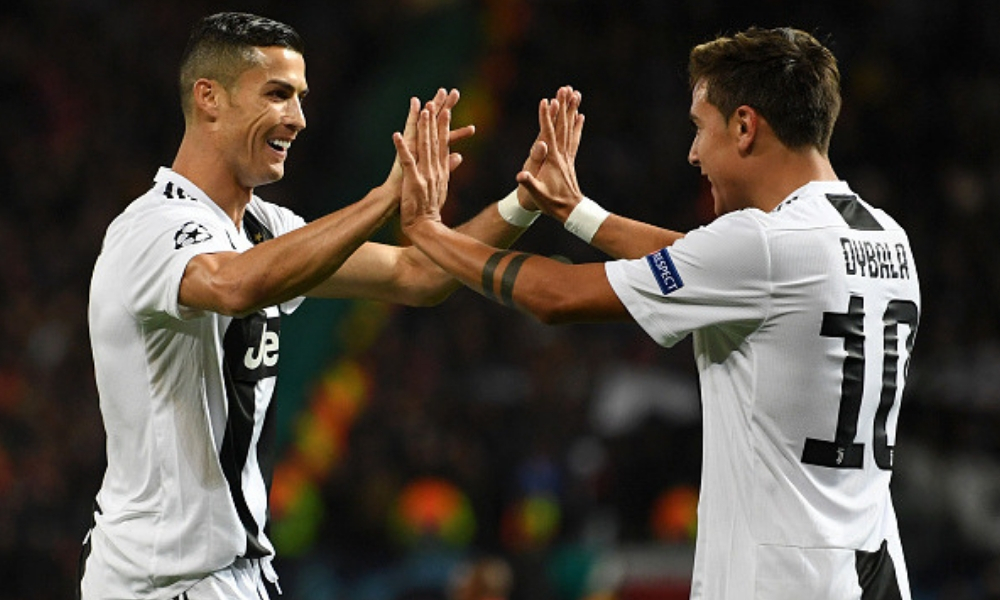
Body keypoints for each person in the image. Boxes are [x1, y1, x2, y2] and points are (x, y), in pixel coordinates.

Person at [396, 27, 920, 599]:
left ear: (744, 127)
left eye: (699, 127)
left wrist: (429, 232)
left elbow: (557, 296)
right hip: (872, 569)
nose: (693, 153)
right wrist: (575, 211)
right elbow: (709, 261)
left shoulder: (763, 245)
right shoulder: (885, 236)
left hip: (781, 581)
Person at [80, 11, 551, 600]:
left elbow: (420, 274)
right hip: (159, 581)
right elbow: (232, 286)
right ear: (209, 98)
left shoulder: (265, 227)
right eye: (277, 94)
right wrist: (383, 199)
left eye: (300, 98)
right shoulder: (152, 227)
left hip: (240, 575)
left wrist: (526, 202)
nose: (298, 118)